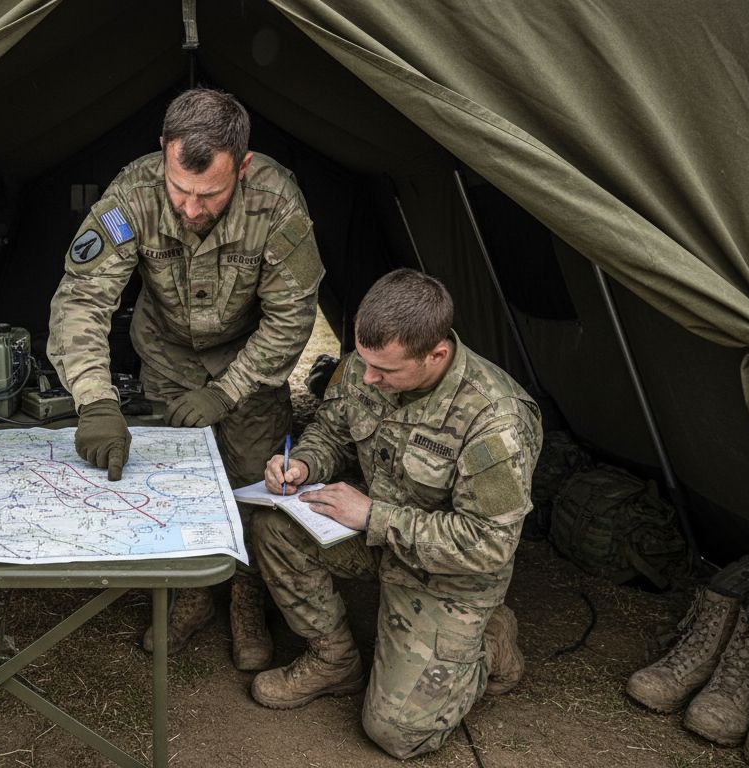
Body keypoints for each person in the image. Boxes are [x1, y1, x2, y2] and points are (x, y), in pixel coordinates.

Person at [47, 88, 324, 670]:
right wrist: (95, 403)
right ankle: (191, 594)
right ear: (163, 154)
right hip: (167, 357)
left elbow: (292, 316)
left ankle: (247, 599)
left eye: (211, 195)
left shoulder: (277, 202)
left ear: (242, 167)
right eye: (181, 191)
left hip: (248, 363)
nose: (192, 209)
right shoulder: (133, 195)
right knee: (173, 483)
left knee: (255, 484)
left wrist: (228, 391)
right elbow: (81, 301)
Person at [253, 269, 542, 758]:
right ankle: (334, 661)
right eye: (363, 363)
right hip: (376, 536)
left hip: (448, 574)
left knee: (398, 734)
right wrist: (302, 463)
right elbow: (332, 430)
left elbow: (489, 544)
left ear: (437, 355)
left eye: (384, 371)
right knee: (273, 525)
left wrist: (373, 517)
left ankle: (490, 643)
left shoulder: (495, 420)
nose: (367, 378)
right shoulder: (367, 364)